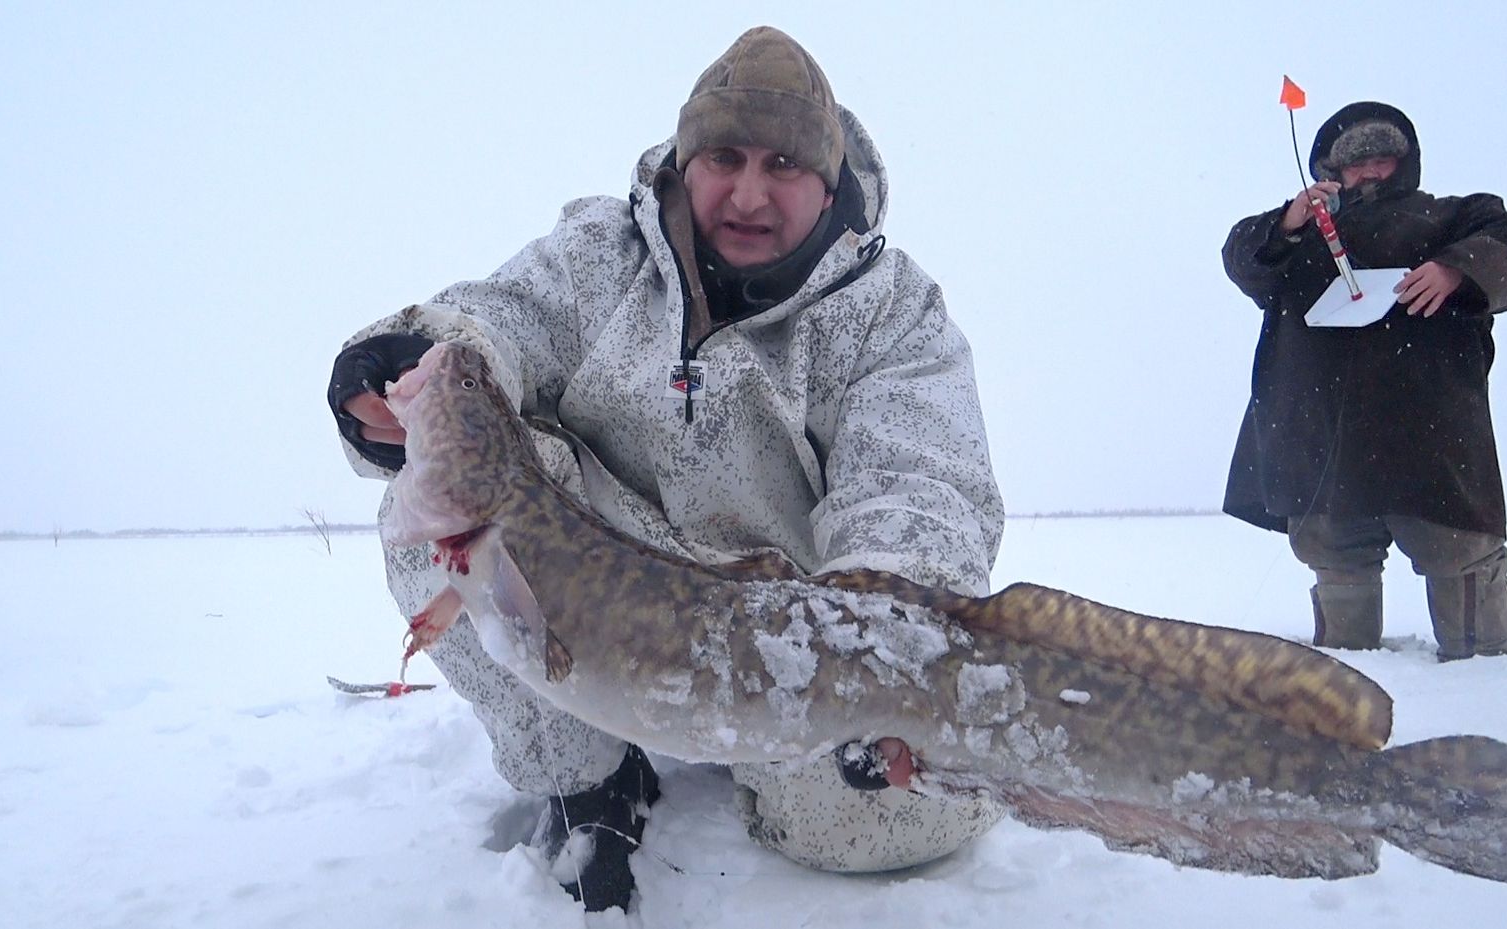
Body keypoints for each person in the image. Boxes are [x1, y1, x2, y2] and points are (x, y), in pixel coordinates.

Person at [326, 26, 1005, 913]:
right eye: (723, 156)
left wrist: (878, 647)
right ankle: (585, 773)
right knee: (441, 521)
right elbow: (492, 324)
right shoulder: (596, 256)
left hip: (790, 636)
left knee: (896, 817)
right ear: (686, 161)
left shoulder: (891, 313)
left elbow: (919, 486)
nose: (749, 192)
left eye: (784, 165)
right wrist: (407, 360)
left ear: (829, 183)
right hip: (606, 581)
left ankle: (789, 778)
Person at [1220, 101, 1507, 662]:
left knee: (1460, 554)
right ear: (1329, 169)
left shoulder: (1454, 217)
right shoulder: (1297, 236)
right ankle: (1347, 685)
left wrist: (1456, 268)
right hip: (1320, 436)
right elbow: (1241, 258)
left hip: (1432, 432)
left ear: (1406, 162)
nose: (1370, 170)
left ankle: (1491, 690)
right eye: (1356, 161)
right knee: (1335, 556)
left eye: (1384, 159)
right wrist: (1287, 223)